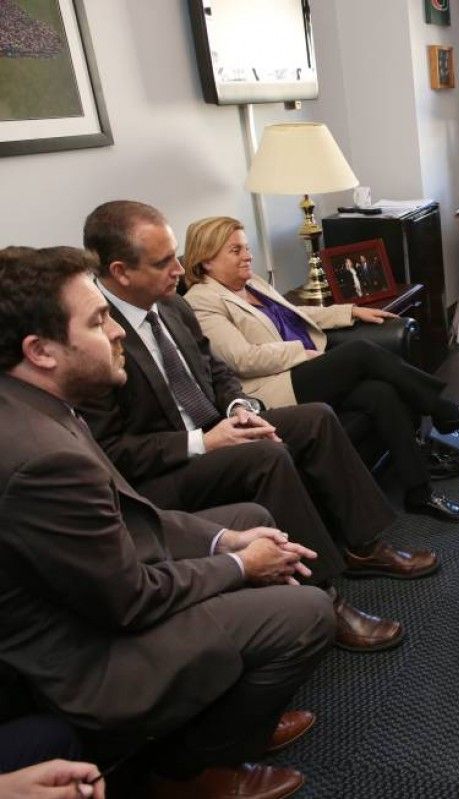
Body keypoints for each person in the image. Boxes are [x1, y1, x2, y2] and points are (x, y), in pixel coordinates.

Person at [0, 245, 332, 797]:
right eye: (99, 320)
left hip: (93, 587)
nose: (117, 333)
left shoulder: (34, 403)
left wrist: (226, 539)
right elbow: (129, 601)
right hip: (82, 656)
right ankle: (187, 768)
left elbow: (131, 515)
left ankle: (216, 706)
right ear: (41, 351)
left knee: (250, 515)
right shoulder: (41, 458)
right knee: (306, 614)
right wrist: (240, 565)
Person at [80, 200, 433, 653]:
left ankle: (363, 544)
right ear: (120, 271)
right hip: (167, 467)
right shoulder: (96, 336)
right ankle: (323, 595)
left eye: (177, 257)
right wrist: (201, 441)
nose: (179, 269)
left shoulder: (169, 306)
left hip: (218, 427)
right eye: (165, 261)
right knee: (267, 457)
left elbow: (216, 369)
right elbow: (110, 452)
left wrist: (238, 408)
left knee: (316, 418)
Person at [181, 215, 459, 522]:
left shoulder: (254, 283)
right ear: (206, 260)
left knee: (380, 393)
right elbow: (242, 359)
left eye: (247, 247)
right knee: (359, 352)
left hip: (302, 370)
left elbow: (295, 314)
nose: (247, 256)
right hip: (272, 387)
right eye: (236, 250)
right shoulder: (202, 300)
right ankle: (443, 409)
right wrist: (299, 353)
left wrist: (351, 311)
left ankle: (419, 492)